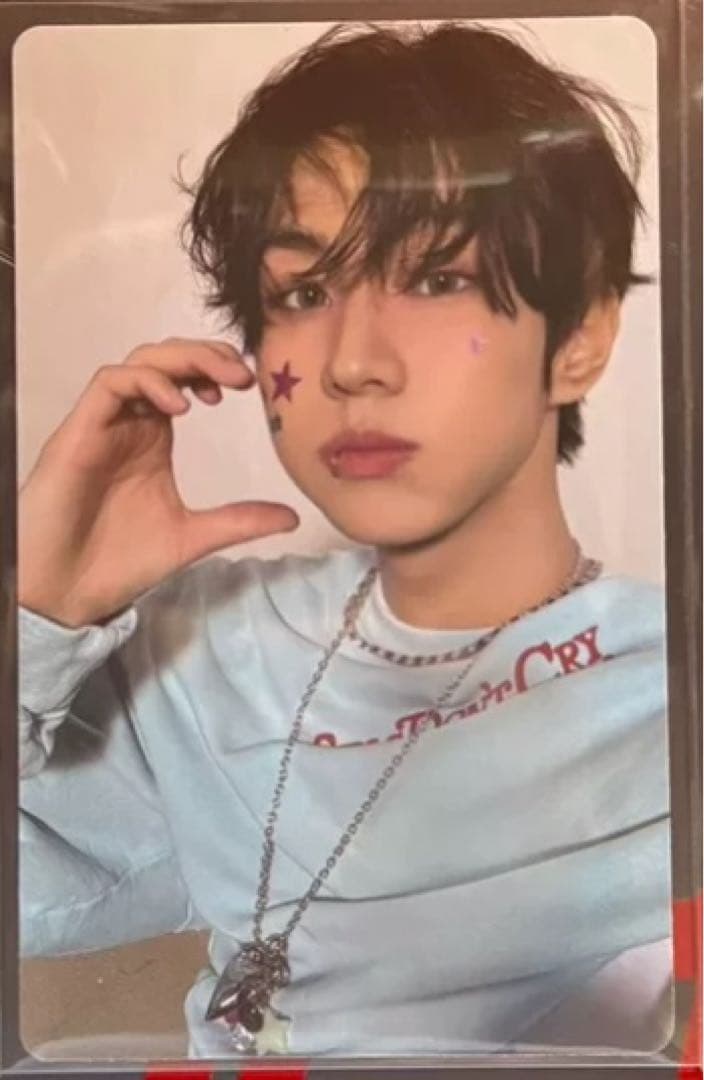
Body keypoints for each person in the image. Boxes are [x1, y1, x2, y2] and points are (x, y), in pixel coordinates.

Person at [17, 20, 672, 1059]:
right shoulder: (205, 643)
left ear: (579, 339)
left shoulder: (663, 691)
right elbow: (35, 898)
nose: (352, 362)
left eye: (437, 278)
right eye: (304, 293)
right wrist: (40, 623)